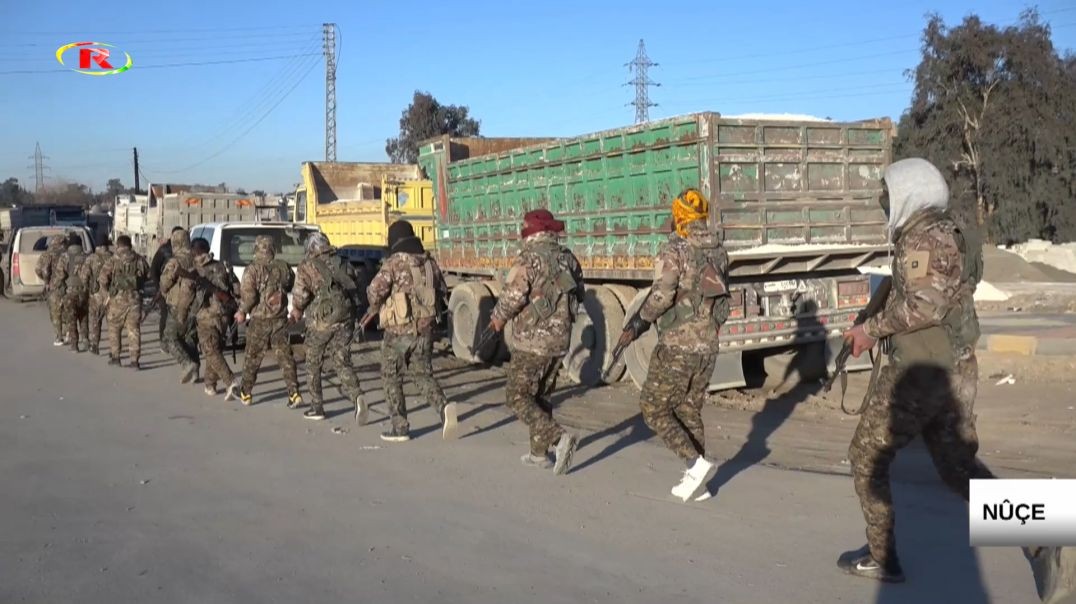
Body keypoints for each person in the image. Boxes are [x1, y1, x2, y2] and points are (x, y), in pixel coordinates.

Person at [838, 157, 1015, 583]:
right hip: (952, 368)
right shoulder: (947, 232)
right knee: (958, 467)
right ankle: (1048, 534)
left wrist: (869, 330)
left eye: (890, 195)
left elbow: (922, 305)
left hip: (920, 371)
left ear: (911, 193)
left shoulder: (925, 237)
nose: (886, 204)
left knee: (866, 456)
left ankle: (883, 556)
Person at [618, 188, 730, 502]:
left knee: (653, 408)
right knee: (689, 409)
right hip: (708, 345)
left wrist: (639, 322)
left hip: (678, 344)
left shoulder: (674, 250)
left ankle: (695, 464)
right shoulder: (719, 250)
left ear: (679, 215)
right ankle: (699, 483)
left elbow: (662, 294)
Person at [488, 209, 583, 474]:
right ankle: (538, 454)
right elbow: (580, 292)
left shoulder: (528, 258)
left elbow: (513, 296)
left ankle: (559, 438)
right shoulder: (568, 258)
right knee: (541, 396)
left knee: (517, 396)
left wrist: (497, 319)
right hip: (560, 339)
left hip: (532, 341)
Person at [364, 220, 456, 442]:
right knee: (422, 374)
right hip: (425, 330)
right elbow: (442, 289)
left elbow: (374, 292)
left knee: (390, 375)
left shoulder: (394, 263)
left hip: (398, 331)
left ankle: (400, 427)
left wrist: (376, 305)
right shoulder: (429, 263)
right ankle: (443, 407)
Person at [290, 232, 368, 421]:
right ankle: (357, 396)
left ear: (310, 248)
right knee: (342, 360)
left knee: (313, 361)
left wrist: (297, 310)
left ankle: (317, 407)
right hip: (346, 317)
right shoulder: (342, 261)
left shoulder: (306, 265)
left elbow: (301, 296)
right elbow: (355, 287)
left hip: (321, 320)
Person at [234, 235, 301, 407]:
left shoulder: (252, 269)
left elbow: (249, 296)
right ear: (273, 249)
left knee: (253, 357)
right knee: (285, 357)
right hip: (280, 319)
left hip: (259, 321)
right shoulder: (283, 267)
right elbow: (289, 285)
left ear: (256, 248)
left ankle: (246, 393)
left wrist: (242, 312)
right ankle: (294, 393)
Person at [189, 237, 240, 400]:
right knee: (214, 348)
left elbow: (186, 296)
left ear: (195, 251)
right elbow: (237, 288)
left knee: (210, 350)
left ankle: (231, 381)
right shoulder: (222, 266)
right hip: (224, 314)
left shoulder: (195, 270)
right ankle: (210, 383)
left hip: (206, 315)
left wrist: (184, 316)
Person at [98, 235, 149, 368]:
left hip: (117, 301)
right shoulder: (139, 259)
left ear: (118, 246)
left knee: (114, 329)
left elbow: (102, 279)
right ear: (130, 245)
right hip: (135, 301)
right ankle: (134, 361)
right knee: (134, 330)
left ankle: (116, 357)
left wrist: (106, 295)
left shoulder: (113, 260)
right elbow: (147, 276)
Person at [158, 229, 201, 383]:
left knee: (170, 338)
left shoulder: (175, 261)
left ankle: (187, 364)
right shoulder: (197, 257)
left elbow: (165, 284)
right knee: (190, 338)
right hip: (197, 305)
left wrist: (163, 288)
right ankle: (195, 369)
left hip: (178, 305)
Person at [54, 233, 91, 353]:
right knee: (83, 317)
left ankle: (74, 345)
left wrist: (58, 287)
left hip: (70, 292)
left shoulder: (65, 257)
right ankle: (86, 340)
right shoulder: (87, 256)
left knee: (72, 318)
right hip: (84, 292)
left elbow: (60, 275)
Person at [150, 226, 183, 345]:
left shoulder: (186, 250)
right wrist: (159, 288)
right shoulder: (164, 250)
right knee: (165, 313)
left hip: (181, 290)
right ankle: (163, 340)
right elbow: (153, 270)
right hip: (165, 289)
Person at [80, 238, 113, 355]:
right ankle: (113, 349)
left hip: (96, 295)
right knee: (112, 323)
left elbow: (84, 276)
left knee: (95, 321)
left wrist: (86, 287)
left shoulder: (91, 259)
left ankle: (95, 345)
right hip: (112, 295)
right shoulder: (113, 257)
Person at [35, 234, 67, 346]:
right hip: (67, 285)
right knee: (66, 309)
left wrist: (46, 280)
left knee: (55, 312)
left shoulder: (46, 254)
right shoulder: (67, 254)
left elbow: (39, 269)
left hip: (53, 287)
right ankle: (67, 332)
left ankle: (59, 337)